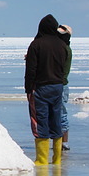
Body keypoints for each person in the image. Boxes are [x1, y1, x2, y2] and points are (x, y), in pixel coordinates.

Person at [24, 14, 68, 165]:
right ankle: (56, 159)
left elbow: (31, 69)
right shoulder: (62, 45)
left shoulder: (36, 45)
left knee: (40, 119)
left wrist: (28, 89)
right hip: (57, 87)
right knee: (55, 118)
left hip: (40, 87)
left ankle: (42, 159)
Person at [58, 24, 72, 151]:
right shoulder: (63, 48)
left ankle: (64, 142)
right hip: (60, 84)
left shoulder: (65, 49)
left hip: (61, 85)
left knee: (61, 114)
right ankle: (59, 142)